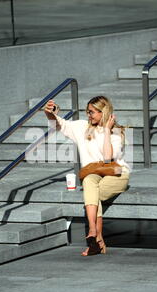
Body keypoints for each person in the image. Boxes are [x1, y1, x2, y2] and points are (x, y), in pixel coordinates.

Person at [44, 95, 130, 256]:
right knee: (90, 180)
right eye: (87, 112)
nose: (88, 115)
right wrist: (50, 113)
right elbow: (60, 124)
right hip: (94, 173)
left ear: (103, 112)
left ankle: (97, 238)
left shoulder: (117, 132)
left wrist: (105, 130)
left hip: (116, 174)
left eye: (91, 112)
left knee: (92, 192)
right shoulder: (83, 127)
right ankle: (93, 231)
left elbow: (107, 158)